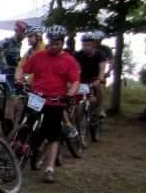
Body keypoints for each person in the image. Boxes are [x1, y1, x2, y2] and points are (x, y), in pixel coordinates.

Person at [17, 25, 80, 183]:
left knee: (53, 135)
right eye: (51, 43)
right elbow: (22, 69)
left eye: (57, 44)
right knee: (24, 126)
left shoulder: (69, 61)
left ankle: (49, 168)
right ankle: (16, 151)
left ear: (62, 43)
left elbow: (75, 81)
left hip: (55, 101)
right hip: (36, 97)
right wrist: (18, 79)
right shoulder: (38, 56)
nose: (53, 46)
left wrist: (70, 94)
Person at [73, 31, 107, 120]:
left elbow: (102, 68)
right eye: (84, 45)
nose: (86, 47)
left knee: (100, 86)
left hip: (95, 78)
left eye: (88, 45)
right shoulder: (78, 55)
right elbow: (75, 68)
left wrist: (100, 79)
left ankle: (100, 108)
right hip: (82, 79)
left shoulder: (99, 54)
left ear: (94, 45)